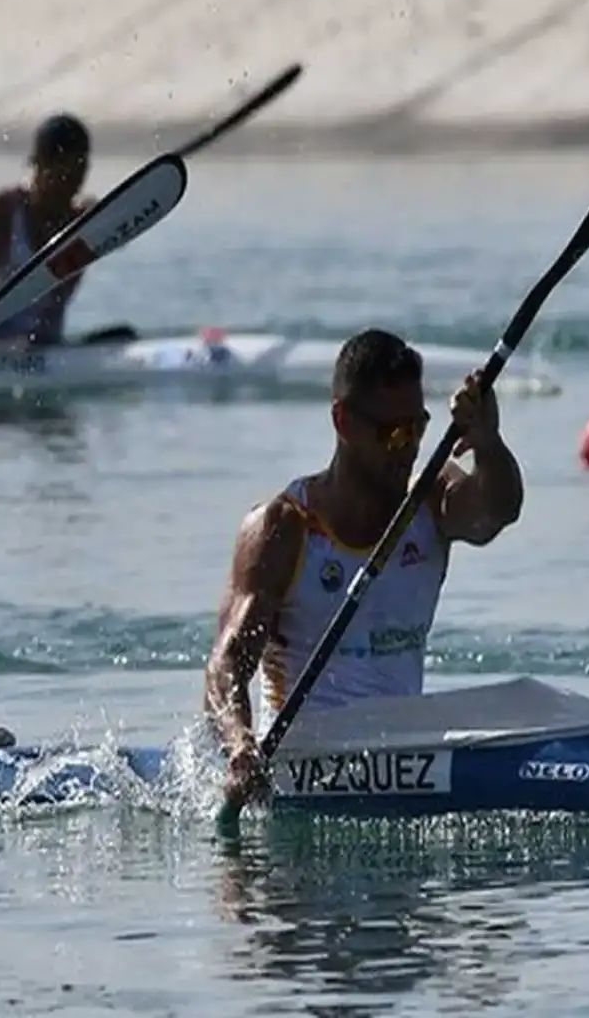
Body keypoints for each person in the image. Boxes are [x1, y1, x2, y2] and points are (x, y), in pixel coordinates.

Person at [200, 329, 525, 805]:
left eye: (417, 428)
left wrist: (488, 443)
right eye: (393, 433)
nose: (408, 447)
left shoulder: (431, 498)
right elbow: (225, 664)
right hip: (300, 771)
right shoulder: (284, 528)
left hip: (405, 759)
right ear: (343, 421)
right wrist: (239, 745)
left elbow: (497, 511)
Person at [0, 113, 138, 349]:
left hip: (49, 348)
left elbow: (124, 236)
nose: (72, 188)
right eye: (64, 176)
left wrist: (108, 217)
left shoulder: (81, 220)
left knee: (126, 335)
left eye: (80, 175)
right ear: (40, 164)